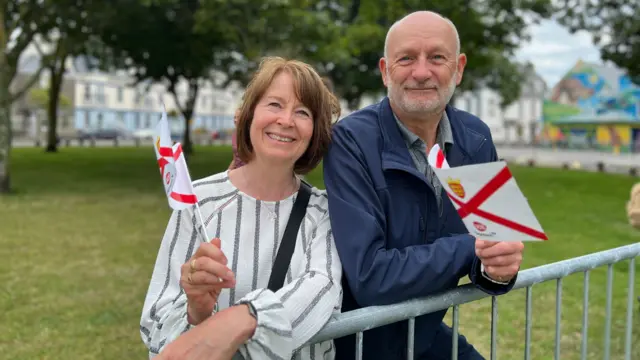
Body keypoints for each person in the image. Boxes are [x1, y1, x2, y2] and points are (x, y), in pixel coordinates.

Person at [323, 11, 525, 360]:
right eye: (406, 58)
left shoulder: (476, 138)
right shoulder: (350, 141)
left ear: (458, 68)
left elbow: (494, 254)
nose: (421, 72)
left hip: (424, 333)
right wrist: (473, 249)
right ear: (385, 70)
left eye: (436, 57)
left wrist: (498, 268)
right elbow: (371, 278)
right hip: (355, 343)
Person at [141, 56, 343, 360]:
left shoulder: (325, 211)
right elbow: (155, 325)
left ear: (315, 131)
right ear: (249, 115)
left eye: (302, 112)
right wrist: (195, 310)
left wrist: (242, 320)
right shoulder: (197, 202)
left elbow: (321, 293)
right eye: (274, 105)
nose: (286, 120)